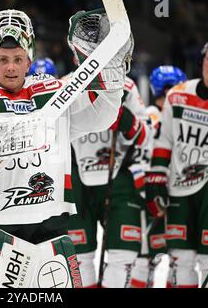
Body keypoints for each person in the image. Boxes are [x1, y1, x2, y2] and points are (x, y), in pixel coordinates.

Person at [0, 8, 133, 288]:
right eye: (3, 60)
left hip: (46, 222)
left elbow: (100, 116)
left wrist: (112, 80)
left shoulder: (52, 92)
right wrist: (13, 136)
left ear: (29, 61)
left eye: (18, 59)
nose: (11, 67)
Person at [146, 35, 208, 288]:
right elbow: (164, 140)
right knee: (180, 260)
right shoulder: (177, 95)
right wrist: (156, 178)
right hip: (178, 189)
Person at [69, 74, 152, 288]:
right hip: (77, 179)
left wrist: (128, 121)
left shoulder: (127, 85)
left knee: (123, 257)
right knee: (78, 259)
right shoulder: (66, 84)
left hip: (120, 179)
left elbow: (148, 136)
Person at [129, 65, 187, 288]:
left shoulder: (148, 115)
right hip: (162, 195)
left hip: (158, 195)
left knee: (154, 261)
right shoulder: (156, 116)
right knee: (168, 261)